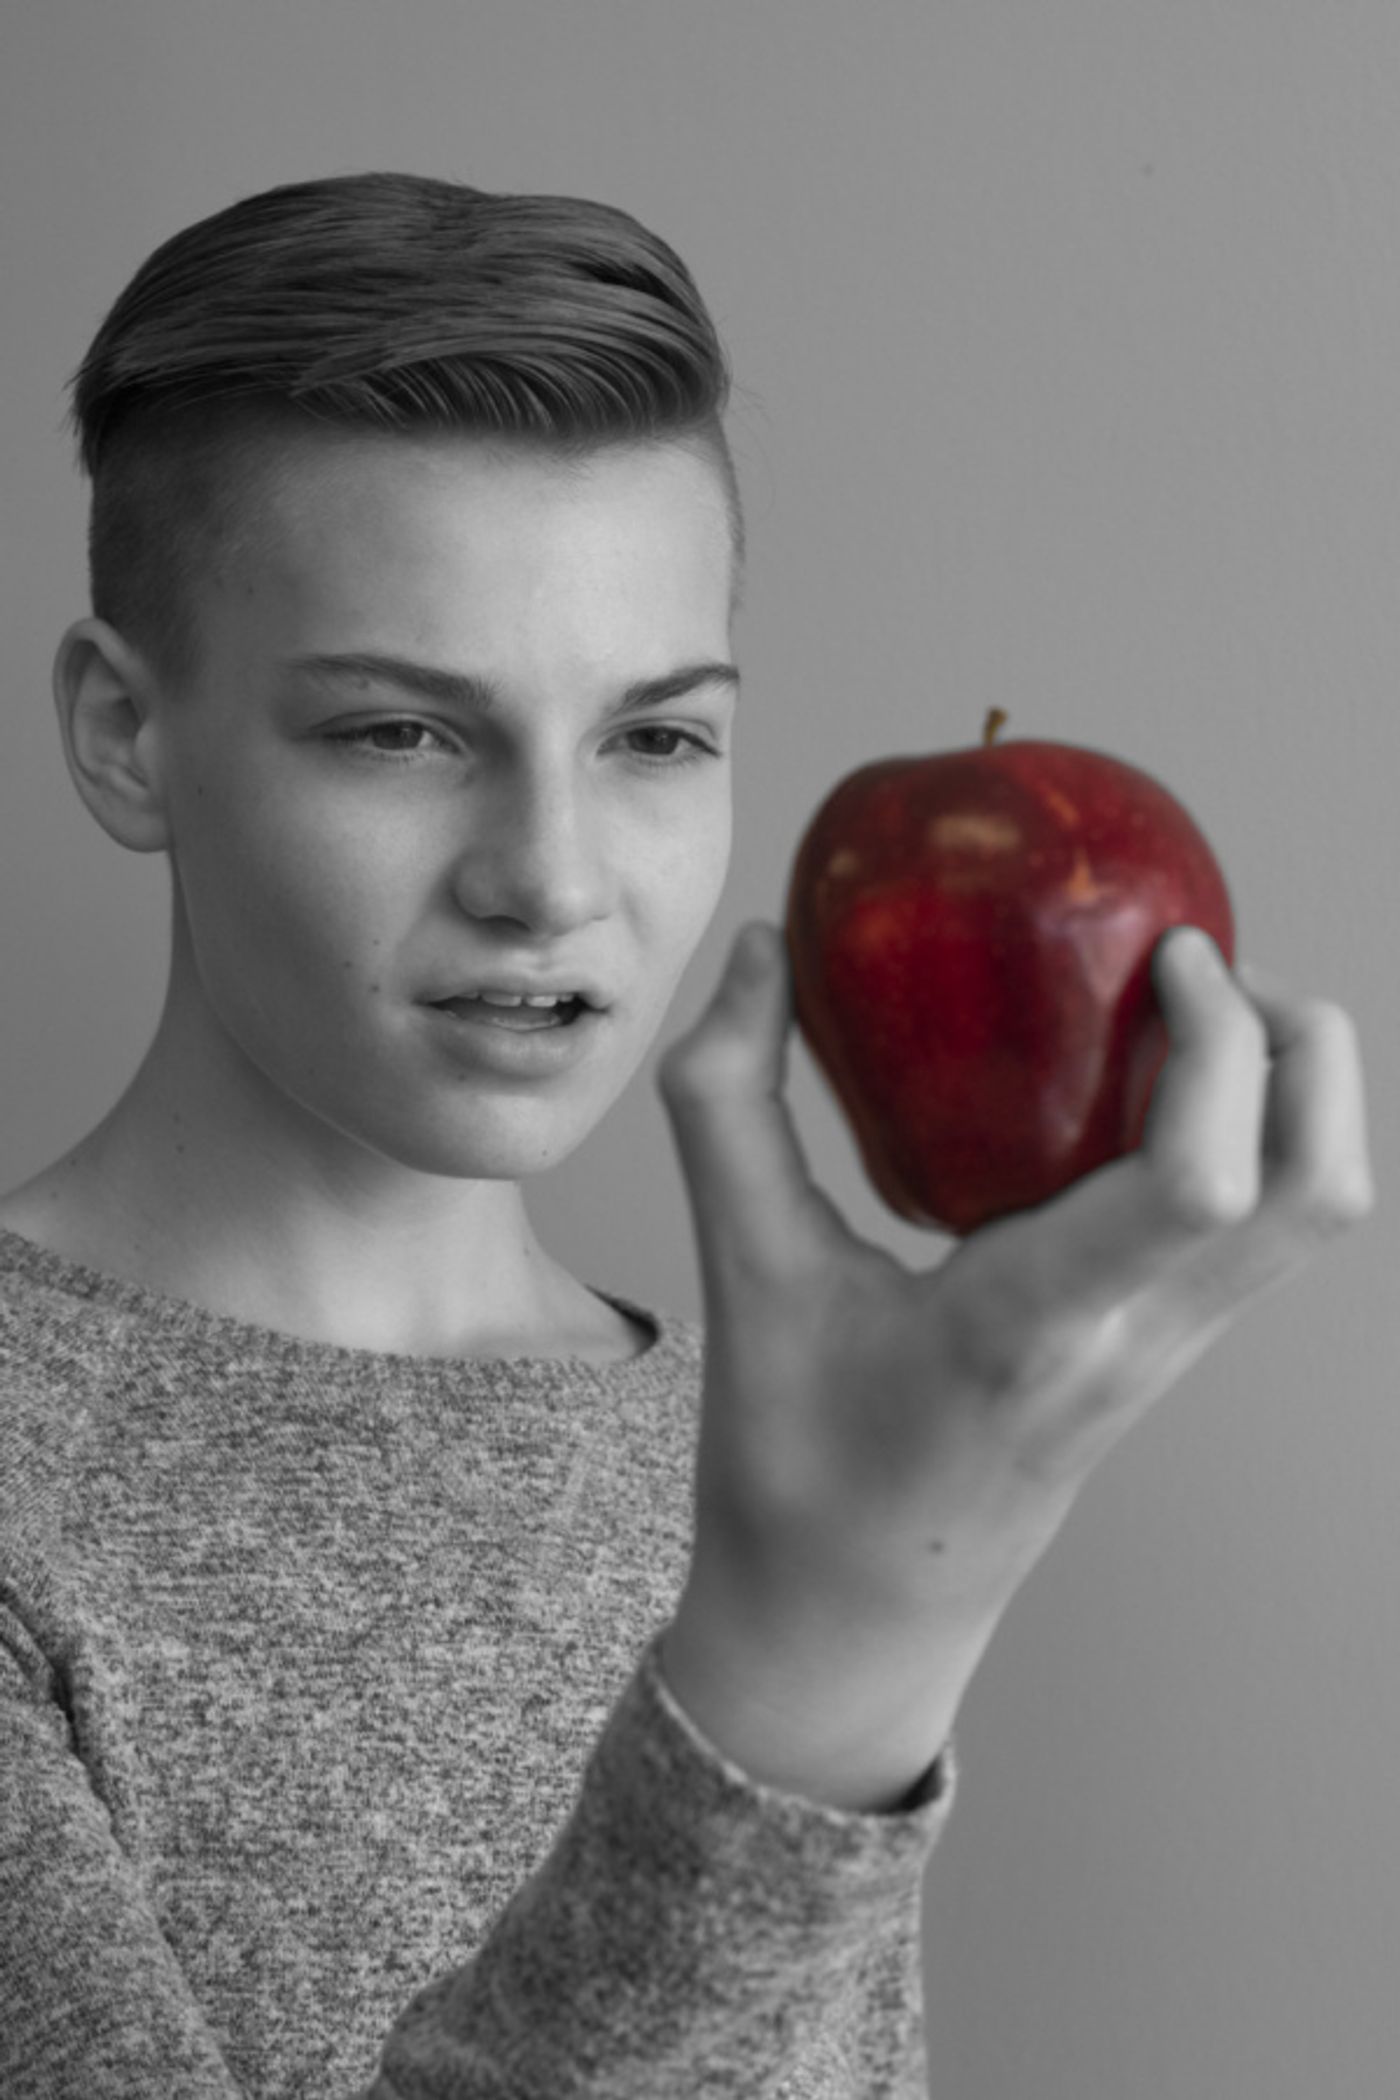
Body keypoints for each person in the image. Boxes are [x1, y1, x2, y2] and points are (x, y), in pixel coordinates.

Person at [0, 171, 1374, 2100]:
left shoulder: (791, 1460)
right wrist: (801, 1680)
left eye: (653, 738)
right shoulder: (825, 1555)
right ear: (126, 737)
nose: (551, 881)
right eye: (400, 731)